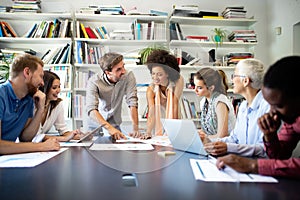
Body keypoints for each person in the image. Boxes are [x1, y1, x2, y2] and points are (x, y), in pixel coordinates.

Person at [216, 56, 300, 179]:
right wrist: (270, 136)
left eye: (279, 105)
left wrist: (253, 165)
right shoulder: (290, 119)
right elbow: (279, 157)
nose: (272, 112)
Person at [203, 59, 269, 157]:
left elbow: (264, 149)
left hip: (259, 168)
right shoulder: (243, 106)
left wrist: (228, 148)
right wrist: (207, 140)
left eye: (234, 75)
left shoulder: (267, 107)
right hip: (242, 164)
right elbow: (234, 138)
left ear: (245, 81)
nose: (232, 80)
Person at [0, 53, 60, 155]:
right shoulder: (1, 94)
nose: (42, 83)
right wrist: (42, 146)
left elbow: (25, 138)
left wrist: (40, 109)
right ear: (27, 72)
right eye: (40, 76)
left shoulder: (28, 99)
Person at [86, 52, 139, 140]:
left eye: (123, 66)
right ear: (108, 72)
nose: (123, 71)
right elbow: (91, 109)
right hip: (95, 125)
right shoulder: (94, 81)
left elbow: (132, 101)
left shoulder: (128, 76)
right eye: (118, 69)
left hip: (114, 123)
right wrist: (109, 128)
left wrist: (135, 128)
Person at [32, 70, 85, 142]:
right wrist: (64, 138)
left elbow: (63, 130)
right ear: (44, 88)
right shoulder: (32, 105)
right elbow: (35, 136)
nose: (58, 90)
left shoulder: (57, 104)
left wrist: (77, 135)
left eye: (59, 87)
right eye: (54, 88)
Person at [142, 49, 184, 139]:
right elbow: (151, 113)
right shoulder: (151, 89)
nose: (155, 78)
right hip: (158, 125)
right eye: (153, 74)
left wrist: (174, 130)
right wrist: (148, 132)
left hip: (174, 121)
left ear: (168, 73)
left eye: (159, 74)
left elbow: (174, 105)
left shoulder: (178, 82)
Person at [194, 67, 236, 139]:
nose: (195, 90)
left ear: (211, 88)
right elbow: (206, 130)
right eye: (195, 86)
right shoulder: (203, 102)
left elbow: (222, 135)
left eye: (199, 87)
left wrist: (204, 137)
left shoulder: (220, 102)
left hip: (226, 145)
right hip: (212, 143)